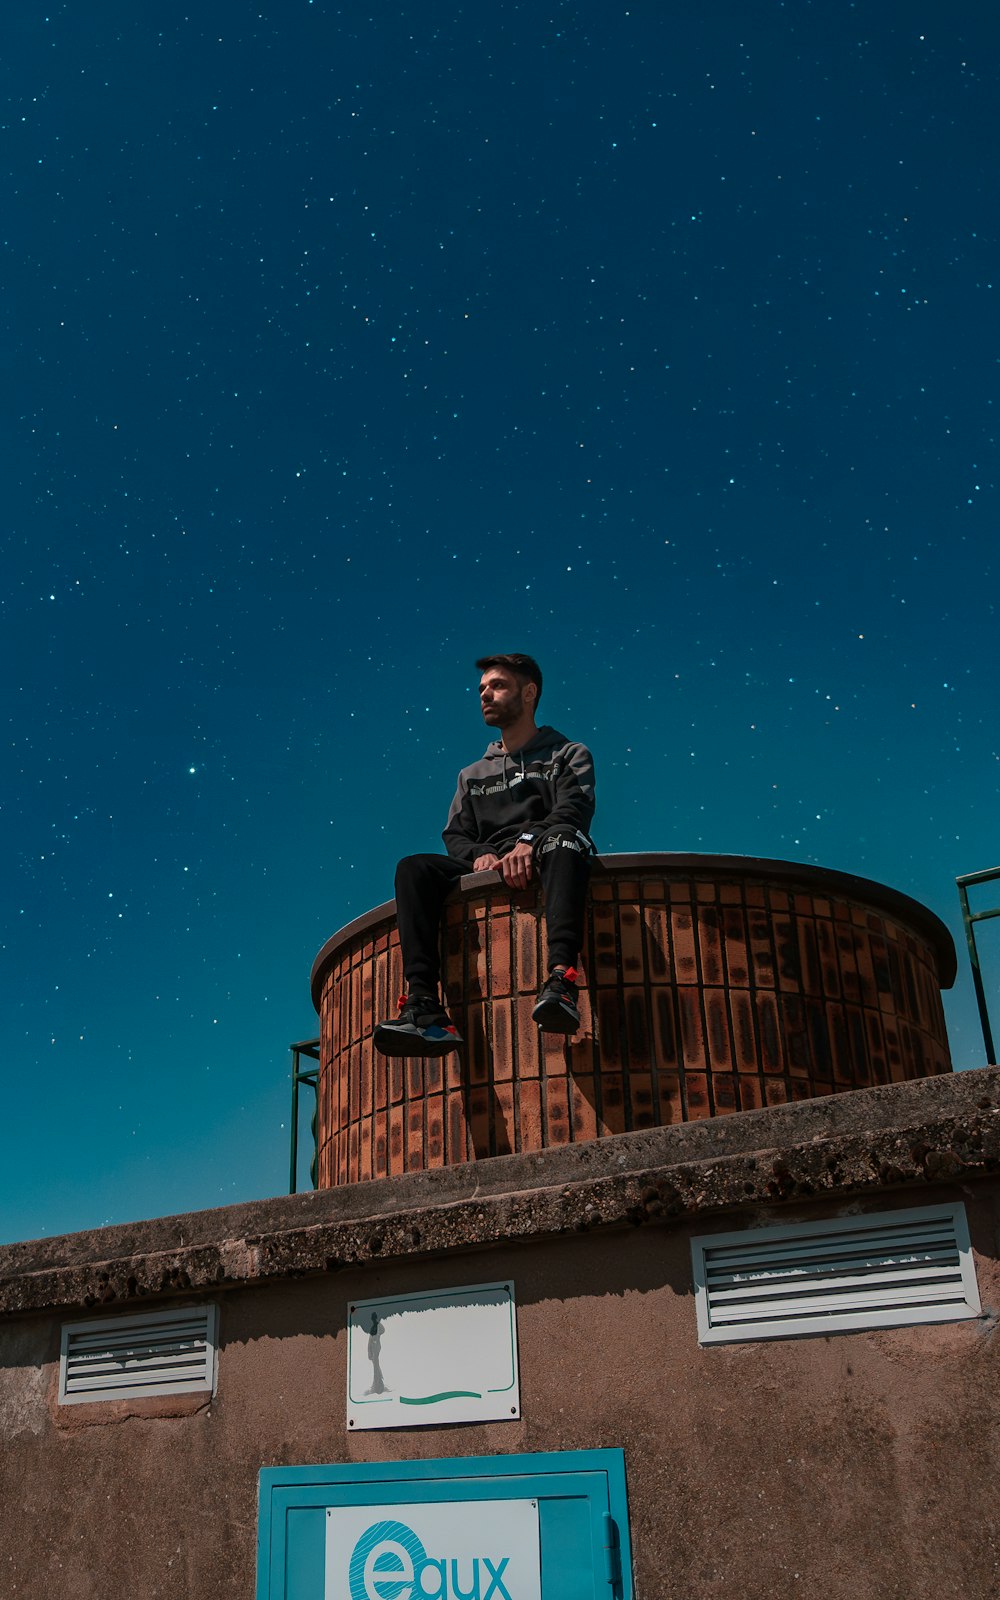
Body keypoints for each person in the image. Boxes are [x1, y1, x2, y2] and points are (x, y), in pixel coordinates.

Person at [373, 653, 596, 1057]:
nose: (485, 695)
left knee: (565, 838)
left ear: (529, 693)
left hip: (546, 847)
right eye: (481, 689)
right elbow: (455, 834)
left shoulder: (568, 753)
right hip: (491, 859)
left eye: (497, 686)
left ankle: (562, 981)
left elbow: (573, 809)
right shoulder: (471, 774)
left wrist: (526, 842)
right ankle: (426, 1009)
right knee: (413, 868)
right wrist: (482, 855)